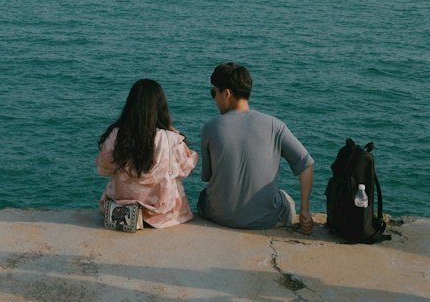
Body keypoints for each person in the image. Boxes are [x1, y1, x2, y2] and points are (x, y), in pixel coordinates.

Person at [197, 61, 315, 234]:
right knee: (287, 199)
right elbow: (306, 164)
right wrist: (304, 210)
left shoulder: (210, 127)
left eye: (214, 92)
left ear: (227, 93)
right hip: (265, 219)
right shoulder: (275, 125)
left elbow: (207, 177)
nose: (214, 98)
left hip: (220, 216)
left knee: (203, 197)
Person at [96, 78, 198, 227]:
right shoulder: (169, 139)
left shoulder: (116, 135)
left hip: (121, 211)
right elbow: (186, 169)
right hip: (162, 215)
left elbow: (104, 169)